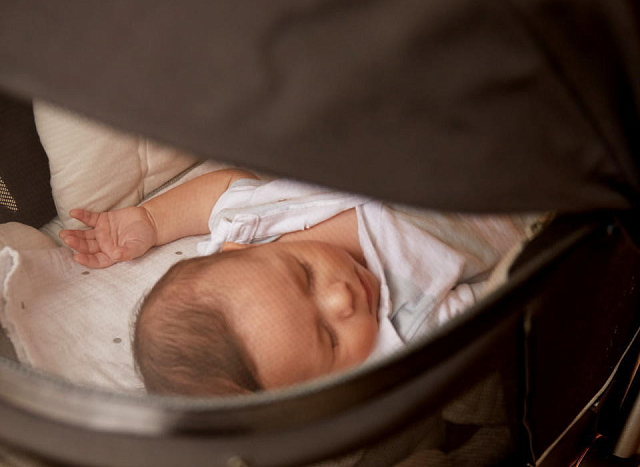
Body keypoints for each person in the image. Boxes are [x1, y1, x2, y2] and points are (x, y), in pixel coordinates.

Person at [60, 168, 528, 396]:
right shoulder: (409, 332)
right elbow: (510, 290)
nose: (342, 298)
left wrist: (152, 219)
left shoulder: (252, 226)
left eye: (305, 275)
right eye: (330, 338)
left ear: (237, 250)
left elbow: (217, 194)